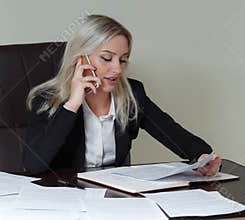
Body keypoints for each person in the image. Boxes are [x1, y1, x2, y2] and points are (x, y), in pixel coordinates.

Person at [23, 14, 221, 175]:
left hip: (114, 201)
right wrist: (72, 104)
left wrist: (202, 157)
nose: (117, 69)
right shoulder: (47, 99)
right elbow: (33, 166)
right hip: (65, 200)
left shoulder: (132, 94)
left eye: (123, 60)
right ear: (80, 58)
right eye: (107, 58)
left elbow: (173, 133)